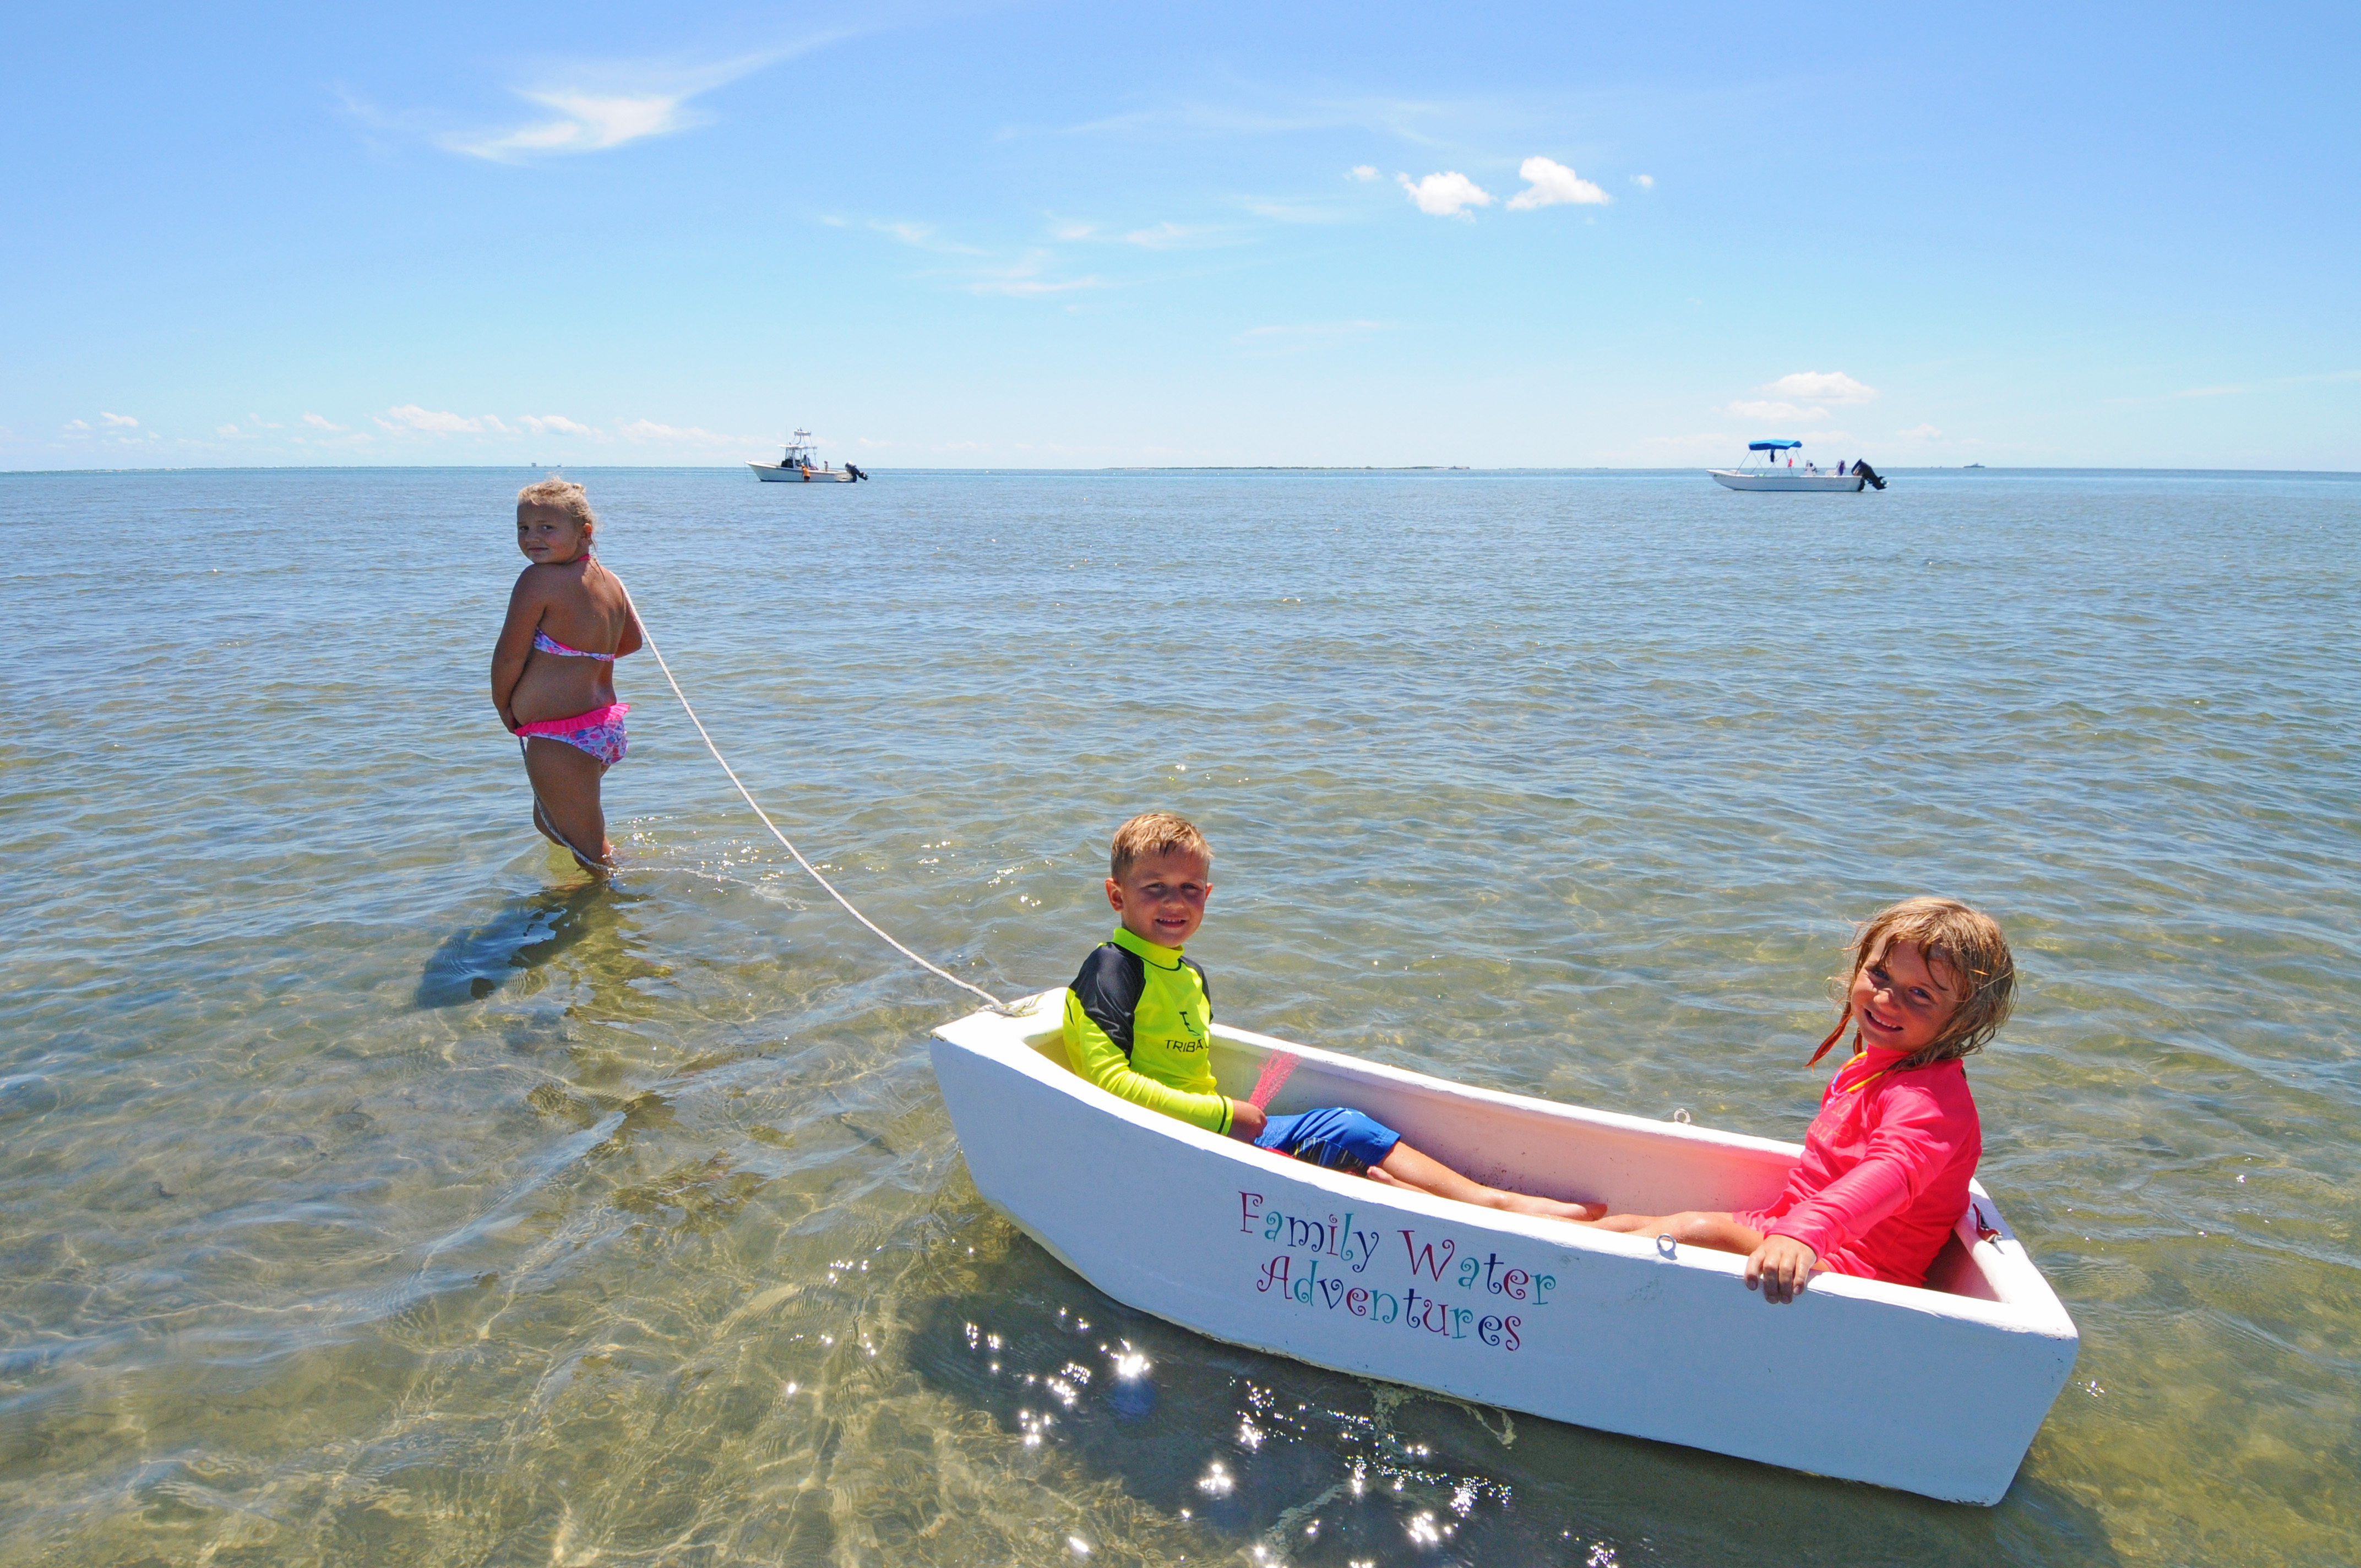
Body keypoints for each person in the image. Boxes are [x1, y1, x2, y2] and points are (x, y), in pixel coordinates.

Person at [1063, 813, 1603, 1221]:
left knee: (1347, 1132)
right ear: (1116, 895)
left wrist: (1226, 1117)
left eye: (1188, 889)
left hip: (1212, 1129)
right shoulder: (1112, 968)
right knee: (1344, 1132)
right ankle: (1491, 1208)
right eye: (1153, 888)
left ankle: (1492, 1205)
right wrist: (1226, 1116)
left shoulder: (1190, 975)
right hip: (1177, 1143)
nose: (1173, 902)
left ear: (1207, 894)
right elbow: (1107, 1081)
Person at [1576, 897, 2016, 1304]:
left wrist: (1806, 1234)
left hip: (1856, 1273)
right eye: (1880, 975)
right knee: (1630, 1227)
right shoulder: (1876, 1065)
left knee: (1697, 1230)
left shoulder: (1929, 1100)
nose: (1886, 998)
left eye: (1920, 994)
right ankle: (1538, 1222)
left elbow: (1894, 1171)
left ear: (1964, 1018)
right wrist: (1793, 1228)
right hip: (1787, 1227)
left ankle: (1557, 1272)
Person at [490, 478, 643, 873]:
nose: (531, 538)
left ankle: (624, 903)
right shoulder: (609, 580)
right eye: (523, 528)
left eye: (546, 528)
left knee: (588, 847)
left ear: (584, 533)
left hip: (561, 735)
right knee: (550, 822)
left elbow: (509, 655)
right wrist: (580, 658)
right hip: (602, 728)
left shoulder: (537, 581)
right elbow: (629, 643)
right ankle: (606, 887)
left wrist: (505, 706)